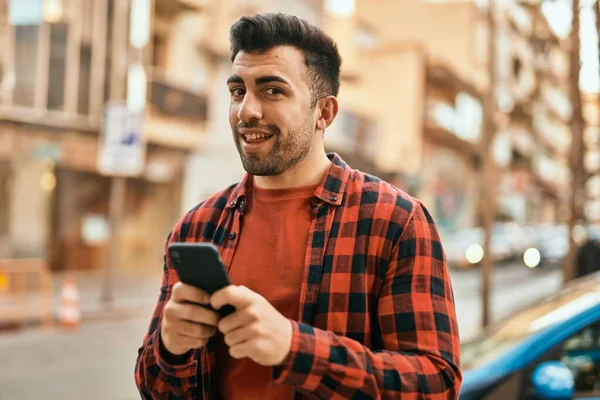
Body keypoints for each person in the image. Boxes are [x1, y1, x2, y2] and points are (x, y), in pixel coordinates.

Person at [135, 13, 461, 399]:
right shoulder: (198, 226)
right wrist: (170, 347)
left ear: (324, 113)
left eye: (272, 91)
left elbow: (435, 386)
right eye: (238, 91)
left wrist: (295, 348)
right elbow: (154, 387)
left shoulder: (395, 221)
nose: (246, 111)